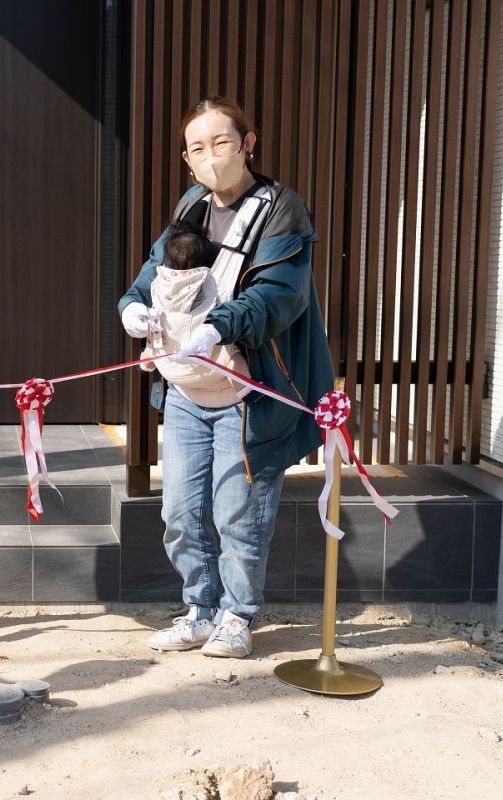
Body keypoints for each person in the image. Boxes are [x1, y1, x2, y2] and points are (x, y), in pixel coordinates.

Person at [118, 96, 333, 658]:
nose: (210, 156)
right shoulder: (191, 205)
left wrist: (217, 328)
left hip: (249, 389)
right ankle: (199, 607)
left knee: (238, 510)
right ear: (186, 160)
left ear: (248, 143)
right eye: (197, 147)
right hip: (187, 385)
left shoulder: (283, 210)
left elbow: (280, 296)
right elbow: (152, 273)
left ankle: (238, 615)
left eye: (222, 142)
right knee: (180, 511)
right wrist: (132, 307)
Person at [139, 219, 251, 409]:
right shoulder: (209, 281)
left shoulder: (159, 282)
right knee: (231, 356)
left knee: (156, 339)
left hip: (168, 367)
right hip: (210, 368)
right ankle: (247, 391)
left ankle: (145, 362)